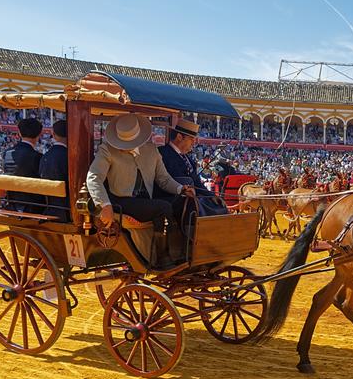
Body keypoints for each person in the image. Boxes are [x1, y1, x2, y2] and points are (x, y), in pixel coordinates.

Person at [86, 113, 194, 268]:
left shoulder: (151, 150)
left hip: (144, 200)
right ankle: (162, 257)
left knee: (182, 202)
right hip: (120, 201)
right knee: (163, 208)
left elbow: (163, 178)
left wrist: (180, 189)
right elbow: (94, 177)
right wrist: (104, 204)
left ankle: (184, 248)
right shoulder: (107, 150)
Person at [158, 118, 227, 215]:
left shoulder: (188, 159)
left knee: (219, 206)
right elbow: (164, 182)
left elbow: (197, 184)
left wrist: (212, 196)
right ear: (179, 137)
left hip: (191, 198)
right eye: (191, 139)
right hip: (174, 199)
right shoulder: (162, 153)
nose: (194, 143)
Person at [3, 117, 44, 212]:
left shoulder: (7, 153)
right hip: (34, 206)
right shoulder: (37, 156)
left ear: (20, 133)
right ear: (39, 135)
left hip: (11, 202)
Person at [39, 119, 69, 220]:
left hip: (49, 207)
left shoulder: (45, 156)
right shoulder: (69, 157)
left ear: (54, 134)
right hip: (67, 210)